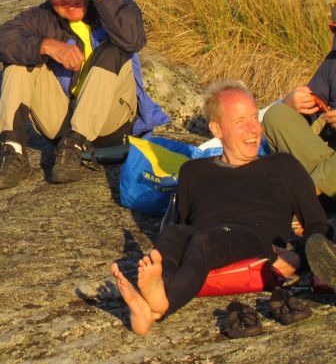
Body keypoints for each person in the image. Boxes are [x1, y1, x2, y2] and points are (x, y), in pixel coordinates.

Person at [111, 81, 336, 335]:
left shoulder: (283, 167)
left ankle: (161, 306)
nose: (253, 129)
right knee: (174, 234)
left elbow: (319, 227)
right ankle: (152, 299)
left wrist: (300, 258)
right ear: (217, 129)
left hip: (254, 240)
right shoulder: (193, 171)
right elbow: (184, 224)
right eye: (241, 121)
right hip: (210, 243)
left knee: (203, 241)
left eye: (254, 117)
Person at [0, 0, 168, 190]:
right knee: (19, 58)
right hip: (62, 126)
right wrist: (45, 45)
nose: (67, 0)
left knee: (114, 49)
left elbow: (134, 40)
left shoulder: (113, 3)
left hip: (112, 123)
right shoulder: (42, 17)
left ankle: (75, 145)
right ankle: (13, 153)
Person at [262, 5, 336, 197]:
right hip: (329, 165)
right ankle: (314, 191)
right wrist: (291, 104)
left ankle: (305, 196)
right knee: (277, 115)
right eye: (334, 29)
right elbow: (305, 113)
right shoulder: (332, 64)